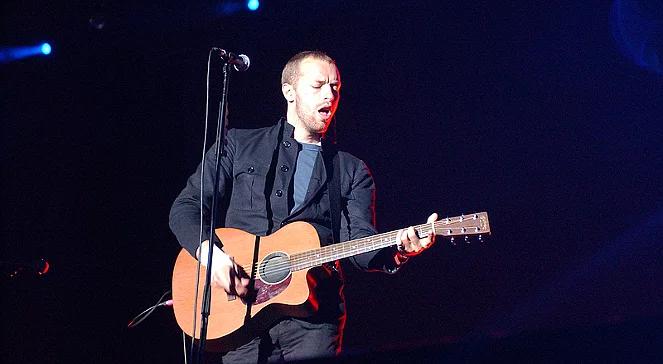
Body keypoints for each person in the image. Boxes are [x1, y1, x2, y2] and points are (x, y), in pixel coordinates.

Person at [169, 50, 438, 363]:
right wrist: (213, 257)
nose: (330, 95)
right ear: (289, 92)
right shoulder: (237, 145)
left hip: (314, 320)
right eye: (318, 85)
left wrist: (400, 249)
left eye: (335, 87)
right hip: (239, 313)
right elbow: (186, 208)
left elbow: (360, 244)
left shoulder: (351, 170)